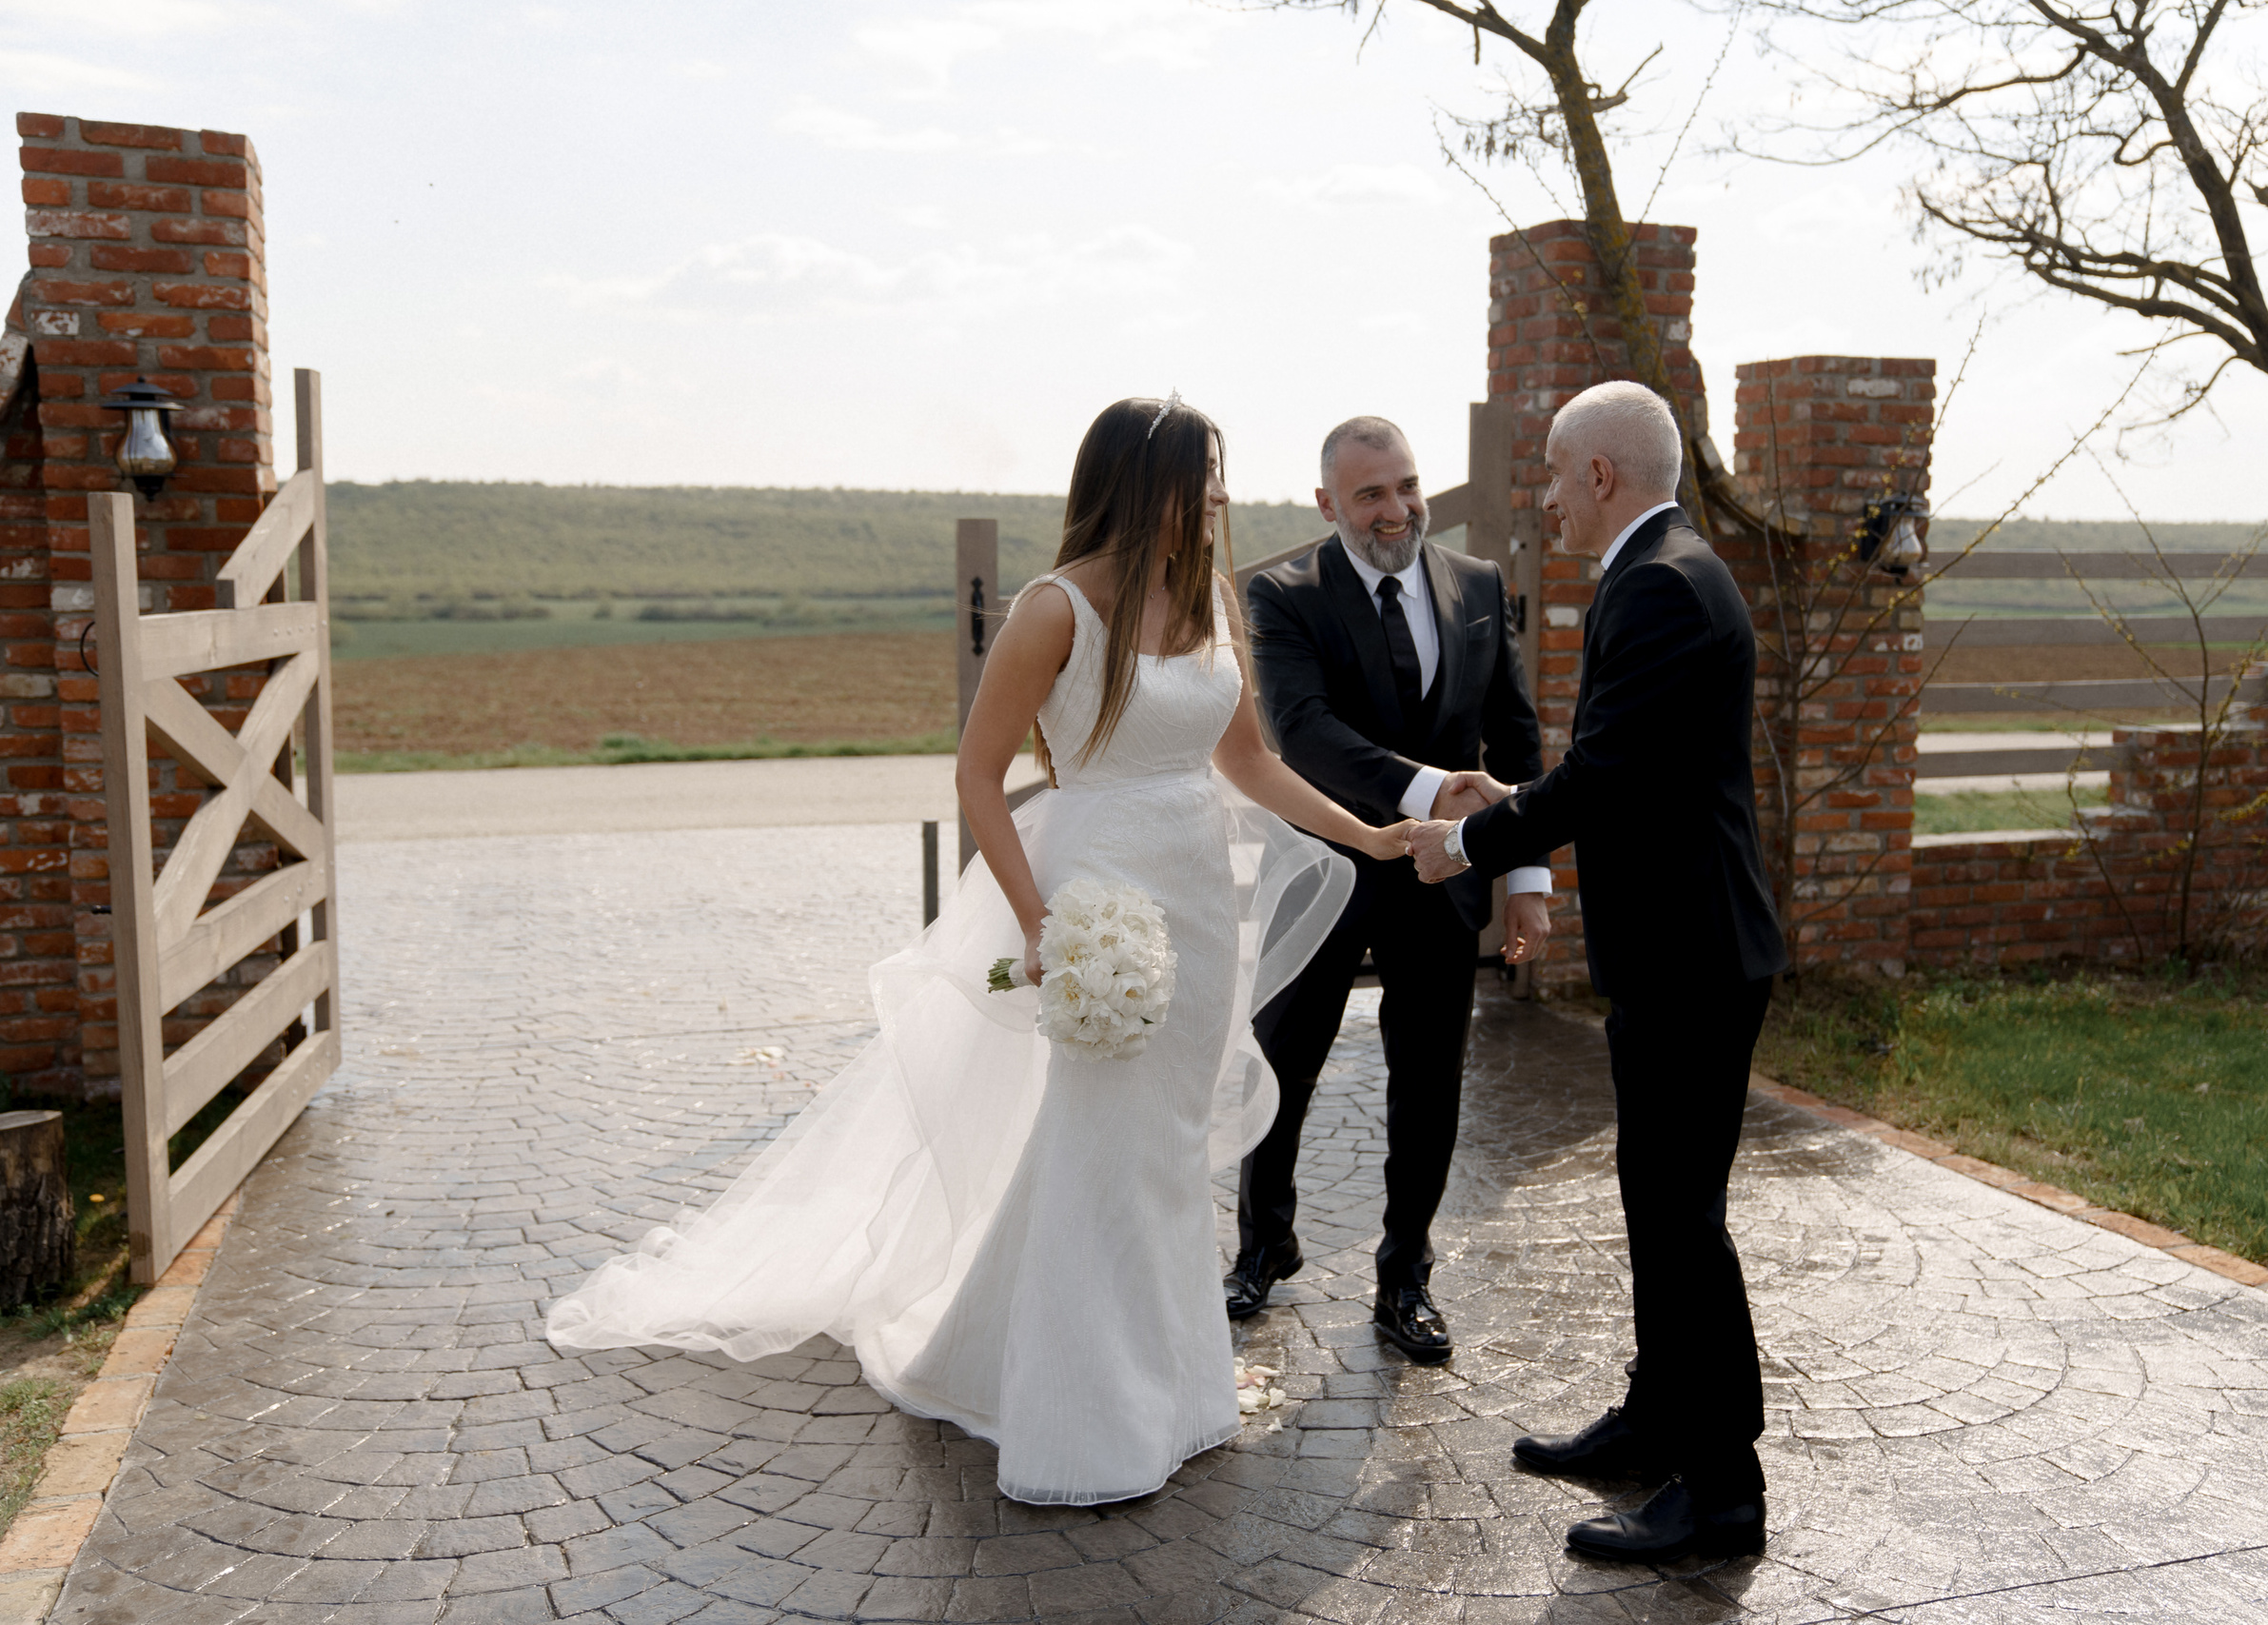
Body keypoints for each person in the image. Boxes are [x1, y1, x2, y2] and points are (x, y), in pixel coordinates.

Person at [547, 394, 1415, 1506]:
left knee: (1160, 1153)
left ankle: (1174, 1392)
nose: (1214, 500)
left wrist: (1368, 833)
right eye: (1197, 480)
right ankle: (1082, 1420)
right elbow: (976, 776)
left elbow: (1247, 762)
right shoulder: (1055, 609)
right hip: (1105, 895)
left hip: (1198, 900)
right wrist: (1044, 924)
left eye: (1218, 478)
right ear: (1136, 484)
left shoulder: (1205, 595)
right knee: (1098, 1144)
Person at [1411, 380, 1788, 1563]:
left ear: (1602, 476)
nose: (1544, 495)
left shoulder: (1662, 586)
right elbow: (1623, 766)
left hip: (1692, 959)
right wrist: (1512, 798)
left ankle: (1722, 1492)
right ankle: (1658, 1420)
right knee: (1657, 1202)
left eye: (1555, 473)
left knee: (1682, 1219)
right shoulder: (1668, 567)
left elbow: (1608, 778)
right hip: (1681, 953)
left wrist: (1468, 842)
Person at [1226, 415, 1549, 1362]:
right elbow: (1302, 730)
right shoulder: (1283, 598)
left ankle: (1404, 1276)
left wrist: (1525, 877)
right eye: (1370, 494)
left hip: (1442, 878)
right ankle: (1262, 1244)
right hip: (1323, 862)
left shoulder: (1480, 586)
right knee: (1282, 1058)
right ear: (1327, 505)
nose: (1396, 509)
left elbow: (1517, 738)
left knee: (1429, 1081)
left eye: (1406, 486)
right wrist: (1425, 795)